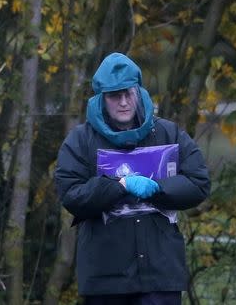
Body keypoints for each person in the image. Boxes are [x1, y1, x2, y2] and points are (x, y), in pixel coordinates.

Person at [54, 52, 210, 305]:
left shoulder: (168, 133)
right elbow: (71, 195)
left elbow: (199, 183)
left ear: (139, 92)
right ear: (101, 99)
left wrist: (159, 187)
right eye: (115, 95)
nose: (124, 102)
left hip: (161, 276)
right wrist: (120, 186)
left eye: (129, 93)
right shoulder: (80, 141)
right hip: (105, 280)